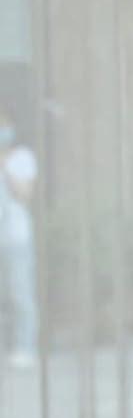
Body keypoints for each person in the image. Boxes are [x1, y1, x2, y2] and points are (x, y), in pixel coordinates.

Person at [0, 106, 39, 367]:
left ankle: (25, 347)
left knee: (20, 292)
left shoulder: (22, 158)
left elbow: (25, 194)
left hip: (16, 238)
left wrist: (5, 166)